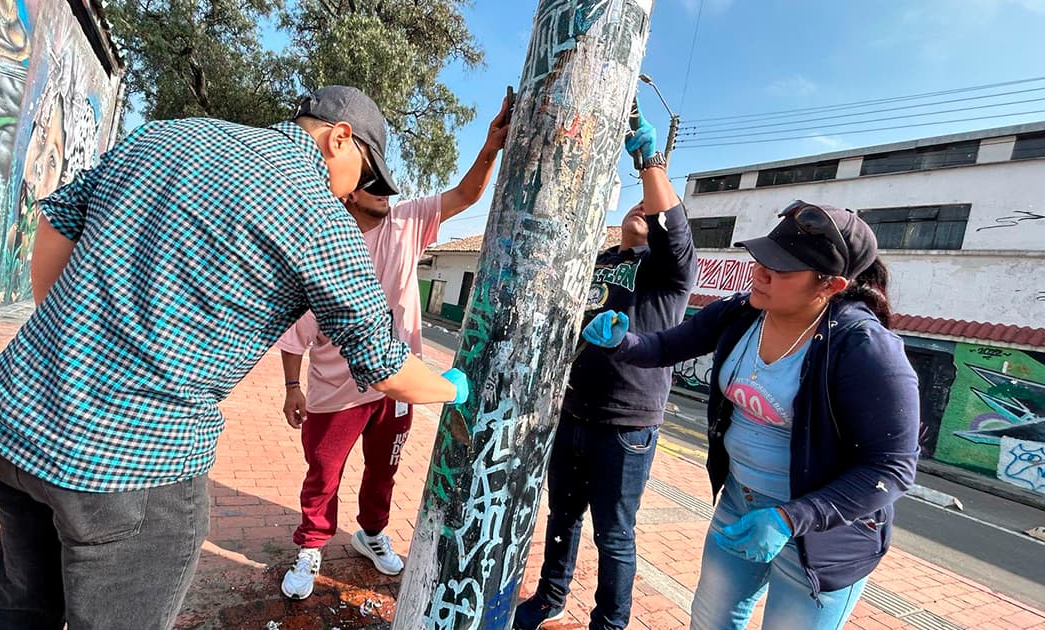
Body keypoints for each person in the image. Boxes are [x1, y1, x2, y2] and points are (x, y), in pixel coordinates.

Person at [0, 85, 470, 630]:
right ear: (339, 139)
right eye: (365, 177)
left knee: (18, 606)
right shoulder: (321, 219)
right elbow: (385, 367)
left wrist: (70, 339)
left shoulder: (168, 133)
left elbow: (58, 219)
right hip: (133, 463)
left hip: (18, 422)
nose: (358, 193)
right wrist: (453, 386)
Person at [581, 201, 920, 629]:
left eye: (780, 269)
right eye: (761, 259)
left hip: (821, 532)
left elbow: (892, 467)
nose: (758, 273)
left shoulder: (865, 348)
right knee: (709, 621)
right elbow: (668, 346)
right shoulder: (743, 312)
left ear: (830, 286)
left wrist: (789, 518)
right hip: (741, 502)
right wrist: (622, 342)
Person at [275, 96, 512, 599]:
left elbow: (465, 196)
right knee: (323, 475)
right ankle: (312, 545)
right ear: (346, 190)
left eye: (388, 182)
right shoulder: (320, 242)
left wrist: (491, 145)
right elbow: (296, 332)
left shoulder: (406, 222)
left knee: (385, 470)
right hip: (335, 392)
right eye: (374, 182)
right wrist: (292, 387)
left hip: (396, 383)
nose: (387, 191)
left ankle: (372, 533)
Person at [513, 107, 697, 630]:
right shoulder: (598, 261)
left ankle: (610, 622)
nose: (643, 207)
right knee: (562, 517)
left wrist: (649, 162)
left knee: (614, 533)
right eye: (637, 202)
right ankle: (550, 598)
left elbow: (676, 231)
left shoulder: (668, 272)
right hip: (573, 411)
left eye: (652, 207)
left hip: (627, 425)